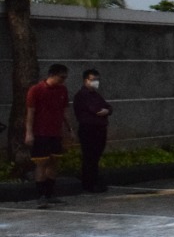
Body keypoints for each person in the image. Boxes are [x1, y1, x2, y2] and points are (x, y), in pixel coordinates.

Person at [26, 63, 74, 208]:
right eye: (61, 77)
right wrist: (29, 133)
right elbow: (30, 112)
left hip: (56, 132)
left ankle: (50, 193)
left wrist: (70, 128)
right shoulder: (36, 90)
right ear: (52, 75)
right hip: (41, 133)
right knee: (41, 163)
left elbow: (65, 110)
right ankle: (41, 195)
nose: (63, 80)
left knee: (54, 162)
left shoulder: (62, 90)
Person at [73, 68, 112, 194]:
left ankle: (94, 181)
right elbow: (95, 109)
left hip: (99, 129)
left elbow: (108, 107)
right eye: (93, 80)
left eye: (97, 79)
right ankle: (89, 183)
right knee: (89, 156)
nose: (96, 82)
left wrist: (107, 111)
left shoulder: (96, 95)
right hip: (89, 129)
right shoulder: (82, 95)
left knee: (95, 156)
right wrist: (104, 110)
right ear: (86, 80)